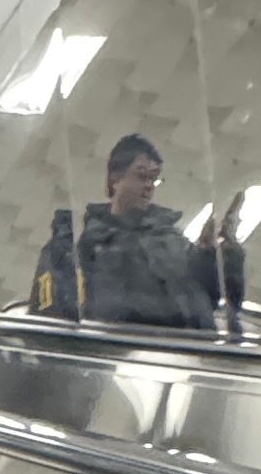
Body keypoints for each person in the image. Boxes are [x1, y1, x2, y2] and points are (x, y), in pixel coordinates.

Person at [54, 133, 244, 334]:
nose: (148, 187)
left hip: (199, 353)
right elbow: (111, 311)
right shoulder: (91, 248)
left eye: (153, 179)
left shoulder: (171, 238)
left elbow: (220, 295)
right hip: (142, 356)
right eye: (141, 176)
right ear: (115, 179)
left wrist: (219, 252)